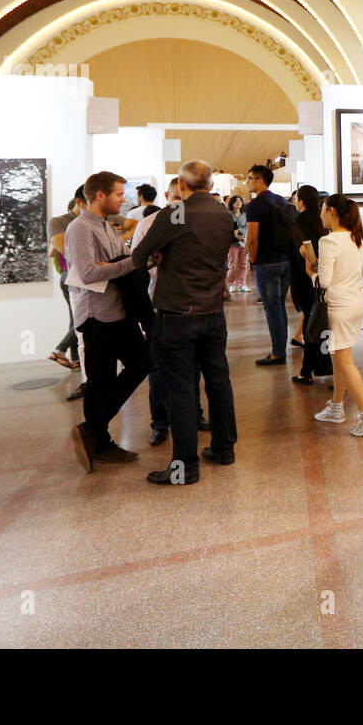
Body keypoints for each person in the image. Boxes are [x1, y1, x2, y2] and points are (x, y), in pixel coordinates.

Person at [131, 161, 238, 485]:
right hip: (212, 311)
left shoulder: (174, 214)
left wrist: (162, 255)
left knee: (179, 388)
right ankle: (223, 449)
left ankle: (185, 466)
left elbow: (139, 257)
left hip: (177, 312)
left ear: (181, 185)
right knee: (219, 382)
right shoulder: (223, 213)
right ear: (208, 182)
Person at [65, 171, 149, 472]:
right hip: (97, 316)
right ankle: (98, 439)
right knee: (100, 381)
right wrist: (132, 263)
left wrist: (124, 263)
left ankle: (93, 428)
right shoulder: (79, 229)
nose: (122, 198)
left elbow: (120, 262)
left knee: (141, 363)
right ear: (99, 195)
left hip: (118, 313)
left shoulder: (107, 227)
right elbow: (89, 273)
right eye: (117, 193)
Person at [132, 180, 206, 446]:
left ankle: (194, 414)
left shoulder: (196, 224)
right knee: (159, 368)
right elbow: (137, 266)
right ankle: (160, 421)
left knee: (194, 364)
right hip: (158, 306)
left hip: (192, 305)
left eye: (181, 197)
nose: (177, 202)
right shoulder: (148, 225)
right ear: (166, 196)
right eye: (173, 197)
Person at [308, 194, 363, 436]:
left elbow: (325, 281)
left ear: (331, 212)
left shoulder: (328, 242)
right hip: (355, 304)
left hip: (337, 307)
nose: (320, 214)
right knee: (340, 358)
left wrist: (310, 270)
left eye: (322, 209)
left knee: (344, 362)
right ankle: (337, 407)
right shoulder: (355, 238)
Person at [246, 164, 295, 366]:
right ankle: (280, 348)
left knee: (272, 308)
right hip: (285, 260)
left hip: (267, 262)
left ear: (260, 180)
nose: (247, 181)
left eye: (250, 178)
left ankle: (278, 352)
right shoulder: (280, 200)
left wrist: (253, 259)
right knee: (279, 306)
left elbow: (252, 238)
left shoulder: (255, 205)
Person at [289, 186, 334, 384]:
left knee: (311, 325)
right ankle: (325, 367)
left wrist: (312, 269)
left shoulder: (298, 222)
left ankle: (306, 372)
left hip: (307, 279)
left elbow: (305, 250)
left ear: (301, 202)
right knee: (324, 324)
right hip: (326, 280)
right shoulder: (322, 221)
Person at [47, 188, 84, 371]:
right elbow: (55, 250)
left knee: (74, 318)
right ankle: (59, 350)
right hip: (70, 275)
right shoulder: (68, 226)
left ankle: (75, 359)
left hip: (65, 274)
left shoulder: (62, 227)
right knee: (80, 318)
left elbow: (51, 252)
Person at [226, 195, 249, 293]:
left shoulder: (245, 214)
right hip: (233, 242)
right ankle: (231, 284)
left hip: (243, 241)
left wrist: (242, 235)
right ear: (232, 203)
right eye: (236, 201)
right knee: (232, 265)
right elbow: (228, 227)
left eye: (240, 201)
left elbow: (247, 227)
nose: (239, 203)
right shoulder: (229, 214)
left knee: (243, 264)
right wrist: (236, 235)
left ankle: (242, 284)